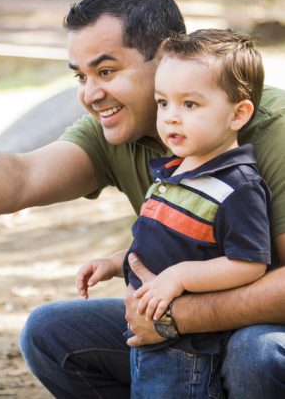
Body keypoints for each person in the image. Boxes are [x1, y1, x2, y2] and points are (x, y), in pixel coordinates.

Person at [0, 0, 284, 398]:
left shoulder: (269, 130)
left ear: (165, 57)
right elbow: (23, 176)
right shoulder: (123, 127)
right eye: (81, 77)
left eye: (106, 71)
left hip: (258, 330)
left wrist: (178, 317)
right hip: (178, 328)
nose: (91, 94)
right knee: (52, 335)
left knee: (257, 354)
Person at [76, 29, 271, 397]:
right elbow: (164, 242)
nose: (171, 118)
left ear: (238, 114)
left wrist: (181, 277)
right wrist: (115, 262)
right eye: (163, 103)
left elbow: (249, 263)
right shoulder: (174, 171)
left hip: (187, 348)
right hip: (147, 333)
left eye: (190, 105)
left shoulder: (236, 186)